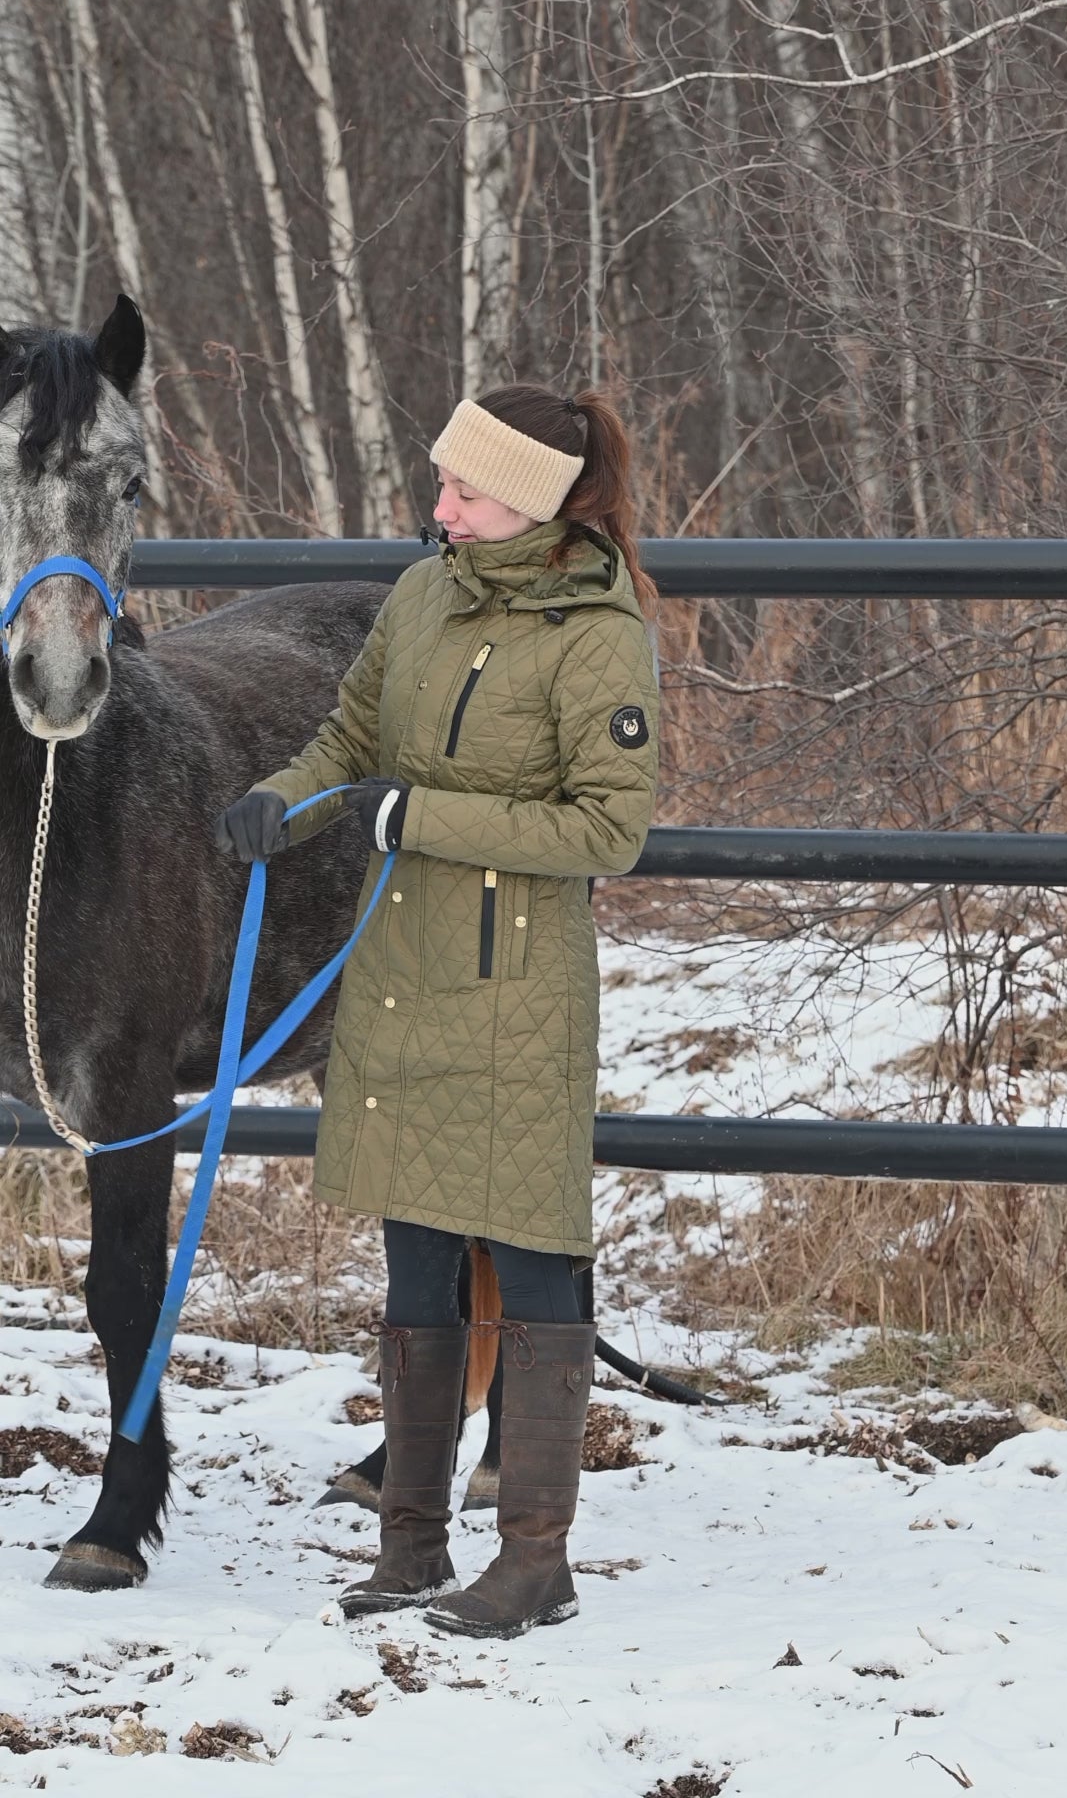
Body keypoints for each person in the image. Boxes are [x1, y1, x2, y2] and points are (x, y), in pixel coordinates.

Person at [215, 386, 659, 1641]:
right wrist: (283, 796)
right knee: (414, 1254)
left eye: (463, 490)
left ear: (530, 500)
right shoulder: (425, 595)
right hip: (401, 971)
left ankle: (535, 1559)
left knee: (525, 1250)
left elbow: (606, 828)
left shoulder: (597, 633)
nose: (439, 505)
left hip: (514, 991)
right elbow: (355, 730)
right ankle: (409, 1544)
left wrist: (418, 818)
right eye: (443, 484)